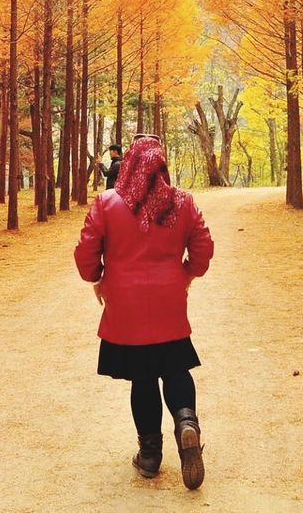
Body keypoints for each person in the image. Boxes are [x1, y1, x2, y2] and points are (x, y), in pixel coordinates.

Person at [74, 135, 214, 490]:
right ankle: (186, 423)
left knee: (143, 377)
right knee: (175, 367)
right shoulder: (182, 201)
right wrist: (186, 275)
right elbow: (203, 248)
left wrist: (97, 278)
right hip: (169, 301)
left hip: (125, 306)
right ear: (162, 164)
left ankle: (150, 454)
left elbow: (85, 254)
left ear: (131, 163)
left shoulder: (107, 202)